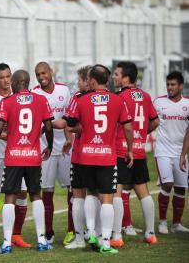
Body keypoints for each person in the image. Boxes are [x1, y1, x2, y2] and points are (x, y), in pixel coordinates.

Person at [0, 70, 62, 254]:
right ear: (28, 82)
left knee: (10, 197)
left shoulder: (7, 101)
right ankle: (42, 240)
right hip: (33, 156)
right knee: (36, 195)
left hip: (13, 156)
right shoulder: (40, 100)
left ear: (14, 82)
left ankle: (6, 243)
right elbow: (49, 126)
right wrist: (49, 146)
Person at [66, 64, 134, 254]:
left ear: (92, 80)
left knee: (89, 193)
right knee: (107, 198)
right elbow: (128, 127)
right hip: (107, 156)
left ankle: (90, 231)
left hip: (86, 155)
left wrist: (81, 128)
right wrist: (129, 149)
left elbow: (70, 123)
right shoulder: (118, 100)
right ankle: (105, 242)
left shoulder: (82, 100)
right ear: (108, 80)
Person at [110, 61, 159, 247]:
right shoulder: (145, 96)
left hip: (122, 151)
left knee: (116, 192)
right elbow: (155, 122)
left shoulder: (118, 97)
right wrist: (141, 135)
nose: (114, 77)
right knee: (143, 192)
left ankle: (116, 236)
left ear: (126, 77)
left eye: (117, 74)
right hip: (138, 150)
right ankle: (150, 233)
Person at [0, 63, 31, 248]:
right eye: (2, 77)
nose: (6, 80)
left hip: (18, 153)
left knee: (23, 191)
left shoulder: (19, 97)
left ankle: (16, 235)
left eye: (8, 76)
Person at [31, 62, 73, 245]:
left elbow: (70, 118)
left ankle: (73, 230)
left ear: (50, 72)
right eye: (38, 74)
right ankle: (48, 232)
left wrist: (69, 139)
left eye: (44, 73)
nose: (41, 77)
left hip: (65, 149)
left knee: (72, 191)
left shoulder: (64, 91)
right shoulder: (34, 93)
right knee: (46, 192)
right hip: (45, 150)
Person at [154, 71, 189, 234]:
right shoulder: (159, 102)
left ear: (181, 86)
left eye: (173, 84)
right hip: (162, 151)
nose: (170, 88)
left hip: (179, 153)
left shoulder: (187, 104)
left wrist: (183, 154)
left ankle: (176, 224)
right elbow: (150, 122)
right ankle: (162, 222)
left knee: (181, 188)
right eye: (168, 84)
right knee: (167, 184)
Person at [63, 65, 92, 249]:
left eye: (80, 80)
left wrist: (72, 130)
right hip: (102, 155)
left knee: (78, 194)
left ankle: (80, 238)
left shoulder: (77, 98)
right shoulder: (110, 98)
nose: (77, 84)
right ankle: (97, 233)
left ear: (88, 81)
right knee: (98, 195)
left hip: (82, 154)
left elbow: (69, 122)